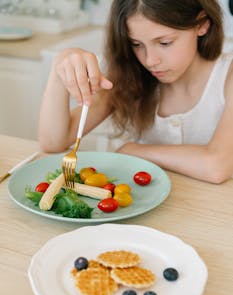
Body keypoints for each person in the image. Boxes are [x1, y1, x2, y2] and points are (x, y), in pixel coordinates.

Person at [38, 0, 233, 184]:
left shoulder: (227, 77)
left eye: (164, 43)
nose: (150, 60)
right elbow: (53, 142)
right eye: (137, 44)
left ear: (202, 24)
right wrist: (59, 67)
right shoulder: (129, 77)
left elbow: (217, 166)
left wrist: (134, 150)